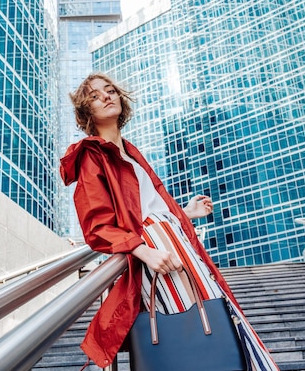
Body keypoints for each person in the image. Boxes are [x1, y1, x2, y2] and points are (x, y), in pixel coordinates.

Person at [60, 73, 278, 370]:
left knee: (216, 320)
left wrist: (184, 213)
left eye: (110, 90)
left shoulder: (131, 152)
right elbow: (97, 226)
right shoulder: (92, 155)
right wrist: (144, 250)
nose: (107, 97)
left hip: (176, 242)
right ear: (87, 111)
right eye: (96, 96)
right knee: (192, 332)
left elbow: (143, 205)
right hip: (155, 251)